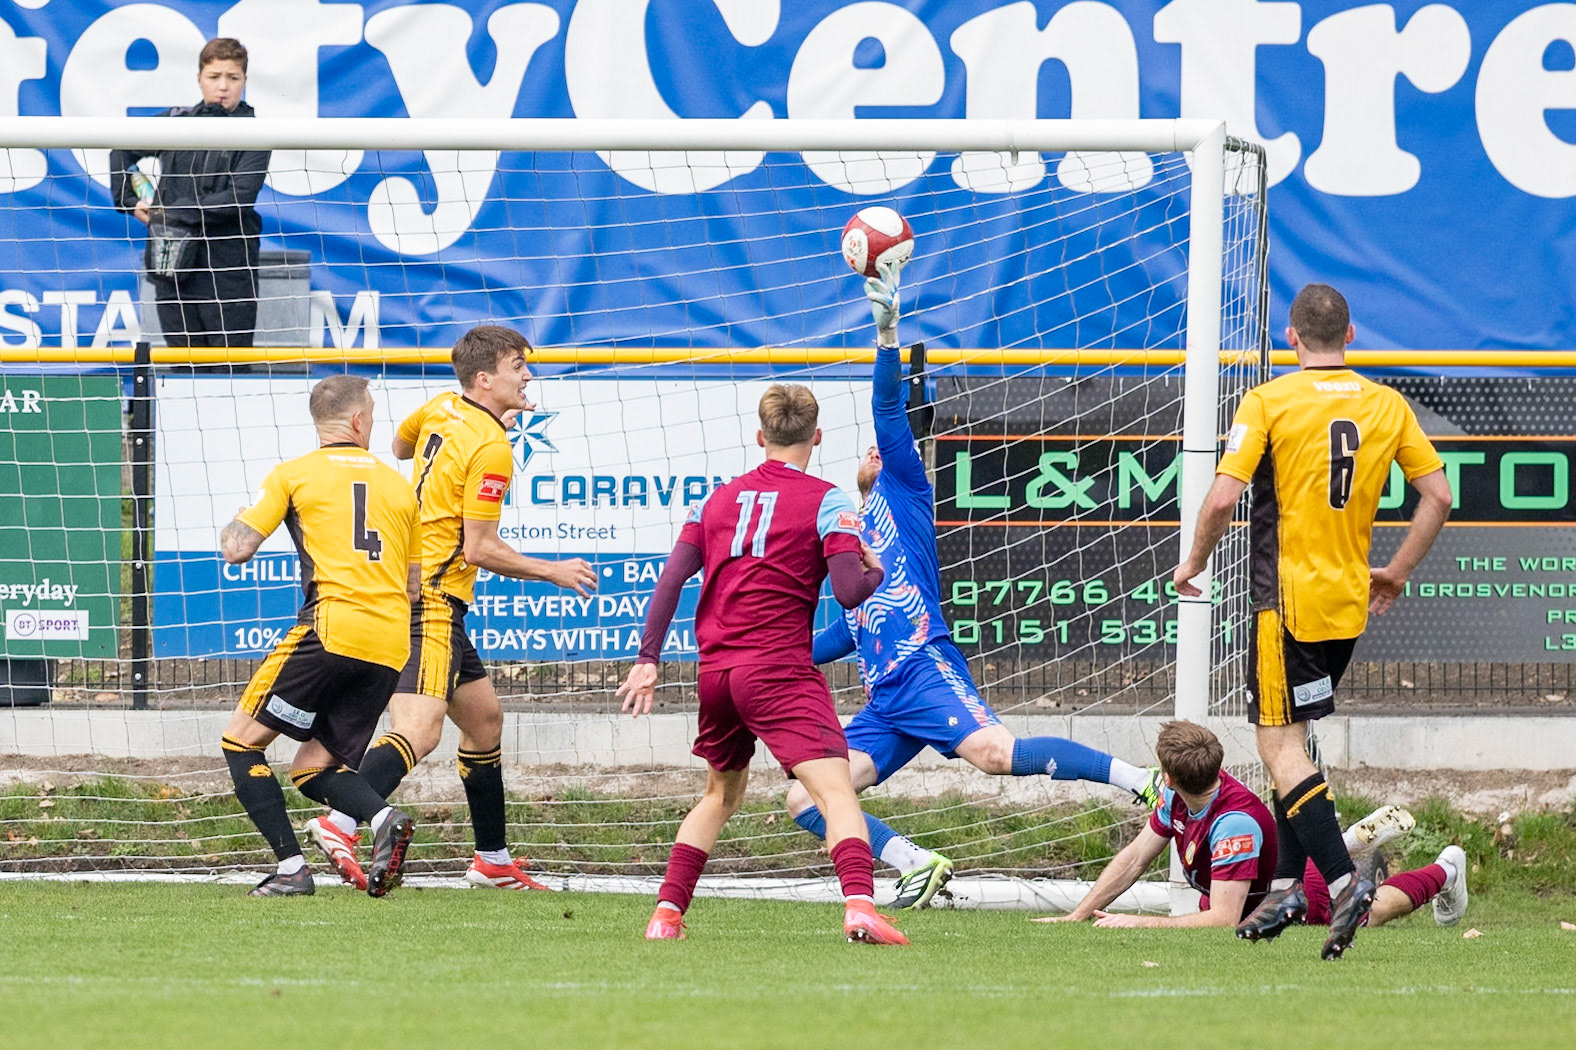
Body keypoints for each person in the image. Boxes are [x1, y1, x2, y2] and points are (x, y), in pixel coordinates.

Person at [784, 262, 1164, 911]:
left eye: (884, 445)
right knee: (805, 796)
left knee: (993, 753)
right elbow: (836, 636)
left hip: (925, 665)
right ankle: (916, 863)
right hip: (886, 701)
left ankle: (1142, 781)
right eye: (870, 450)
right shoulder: (844, 529)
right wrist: (765, 651)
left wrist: (885, 330)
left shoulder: (902, 490)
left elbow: (885, 406)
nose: (875, 450)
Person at [1172, 283, 1453, 959]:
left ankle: (1340, 880)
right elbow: (1438, 495)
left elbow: (1220, 499)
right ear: (1350, 335)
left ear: (1291, 338)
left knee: (1278, 746)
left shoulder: (1269, 400)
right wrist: (1398, 570)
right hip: (1346, 605)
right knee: (1294, 741)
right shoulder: (1386, 403)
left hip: (1284, 603)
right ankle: (1289, 887)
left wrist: (1193, 563)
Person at [617, 383, 907, 945]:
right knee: (836, 791)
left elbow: (672, 579)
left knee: (720, 795)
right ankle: (861, 906)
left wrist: (648, 657)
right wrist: (875, 571)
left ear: (760, 436)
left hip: (718, 674)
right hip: (778, 670)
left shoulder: (718, 500)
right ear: (816, 437)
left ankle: (666, 916)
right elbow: (849, 593)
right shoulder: (829, 501)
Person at [311, 326, 598, 891]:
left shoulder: (442, 404)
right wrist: (553, 570)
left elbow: (398, 446)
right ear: (485, 379)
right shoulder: (493, 448)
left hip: (420, 584)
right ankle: (341, 821)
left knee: (484, 720)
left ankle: (492, 860)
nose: (528, 376)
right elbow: (480, 548)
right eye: (518, 366)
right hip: (434, 596)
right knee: (420, 730)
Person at [217, 375, 420, 897]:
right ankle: (382, 819)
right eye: (372, 415)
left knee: (240, 743)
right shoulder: (399, 486)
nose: (372, 424)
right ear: (357, 421)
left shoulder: (294, 474)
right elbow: (414, 586)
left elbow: (237, 549)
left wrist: (240, 520)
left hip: (330, 630)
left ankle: (291, 869)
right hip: (390, 643)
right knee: (312, 769)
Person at [1039, 720, 1468, 931]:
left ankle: (1447, 870)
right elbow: (1134, 857)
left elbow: (1225, 919)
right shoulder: (1176, 797)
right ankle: (1344, 841)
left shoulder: (1232, 826)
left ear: (1167, 777)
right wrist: (1078, 915)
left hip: (1300, 896)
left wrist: (1141, 923)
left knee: (1371, 913)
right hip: (1265, 880)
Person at [110, 37, 270, 349]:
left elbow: (238, 199)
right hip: (171, 265)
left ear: (244, 81)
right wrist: (129, 201)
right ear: (199, 78)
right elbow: (121, 148)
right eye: (214, 77)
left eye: (233, 77)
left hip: (229, 273)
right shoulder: (176, 122)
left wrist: (168, 213)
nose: (223, 86)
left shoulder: (257, 134)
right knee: (183, 369)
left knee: (229, 373)